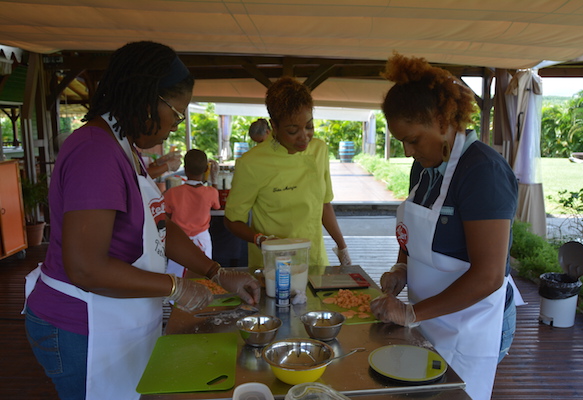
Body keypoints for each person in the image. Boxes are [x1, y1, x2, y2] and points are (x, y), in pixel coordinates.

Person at [23, 41, 260, 400]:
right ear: (148, 99)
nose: (175, 126)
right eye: (176, 113)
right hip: (82, 324)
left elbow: (160, 226)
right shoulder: (95, 152)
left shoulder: (123, 145)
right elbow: (85, 268)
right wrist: (176, 287)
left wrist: (218, 273)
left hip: (118, 316)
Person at [369, 53, 518, 400]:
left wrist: (411, 312)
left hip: (472, 323)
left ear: (441, 119)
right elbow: (414, 233)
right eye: (401, 141)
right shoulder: (424, 165)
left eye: (413, 139)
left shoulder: (483, 173)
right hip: (429, 316)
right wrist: (402, 265)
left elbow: (489, 276)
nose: (407, 151)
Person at [224, 76, 351, 274]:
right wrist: (261, 239)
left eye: (309, 126)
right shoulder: (251, 163)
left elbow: (324, 204)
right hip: (273, 265)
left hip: (315, 259)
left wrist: (342, 248)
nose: (304, 136)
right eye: (293, 130)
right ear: (273, 126)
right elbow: (232, 220)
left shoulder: (319, 150)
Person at [164, 149, 220, 277]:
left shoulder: (172, 193)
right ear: (206, 169)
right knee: (204, 275)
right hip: (202, 240)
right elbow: (216, 206)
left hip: (178, 240)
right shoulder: (210, 192)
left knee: (176, 277)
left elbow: (165, 217)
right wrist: (214, 179)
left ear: (185, 168)